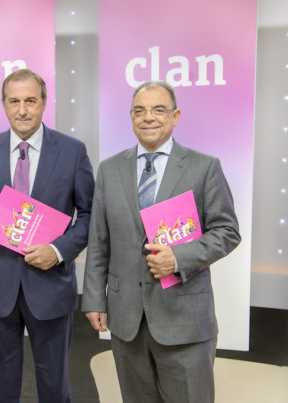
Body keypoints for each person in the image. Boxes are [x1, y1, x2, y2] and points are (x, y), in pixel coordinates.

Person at [81, 81, 241, 402]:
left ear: (175, 115)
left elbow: (227, 231)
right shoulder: (110, 169)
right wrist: (95, 299)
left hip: (185, 320)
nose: (148, 118)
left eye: (158, 110)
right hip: (126, 321)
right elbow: (99, 241)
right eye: (139, 111)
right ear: (131, 117)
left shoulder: (204, 167)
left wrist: (179, 259)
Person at [0, 69, 95, 403]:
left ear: (43, 103)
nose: (22, 110)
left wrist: (59, 250)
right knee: (2, 386)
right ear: (4, 105)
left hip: (51, 285)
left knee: (54, 384)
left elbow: (91, 215)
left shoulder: (72, 151)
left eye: (30, 101)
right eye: (14, 101)